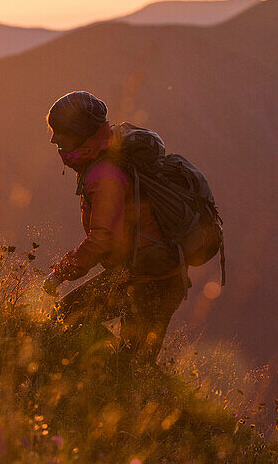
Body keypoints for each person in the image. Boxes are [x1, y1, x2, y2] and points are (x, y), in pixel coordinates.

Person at [42, 91, 188, 364]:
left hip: (150, 279)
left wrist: (59, 273)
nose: (53, 139)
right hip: (153, 274)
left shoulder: (104, 173)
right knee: (133, 362)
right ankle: (107, 371)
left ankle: (107, 374)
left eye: (59, 132)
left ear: (80, 132)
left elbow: (103, 239)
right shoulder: (107, 156)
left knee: (129, 363)